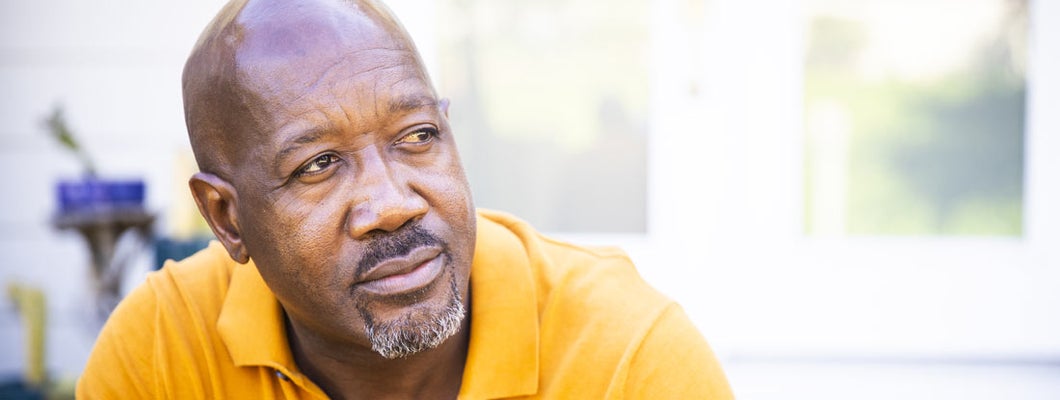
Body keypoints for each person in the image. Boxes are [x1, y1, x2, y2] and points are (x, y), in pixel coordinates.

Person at [76, 0, 733, 398]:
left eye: (417, 136)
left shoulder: (625, 358)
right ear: (226, 217)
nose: (392, 205)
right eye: (319, 165)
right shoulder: (163, 352)